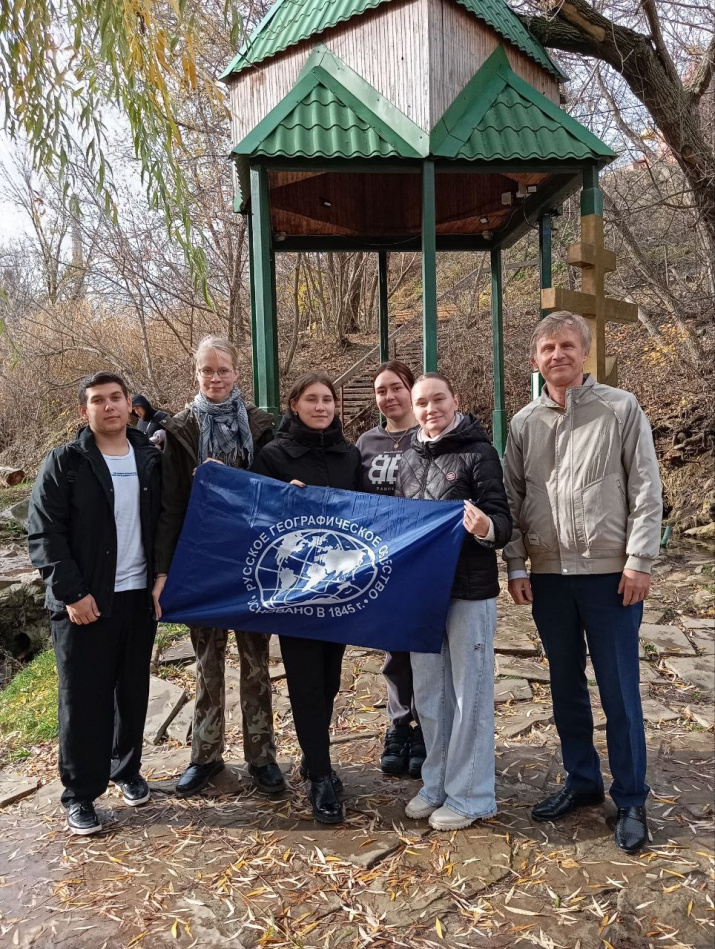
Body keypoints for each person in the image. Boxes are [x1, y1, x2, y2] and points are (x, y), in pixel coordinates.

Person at [502, 311, 663, 854]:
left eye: (568, 345)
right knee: (566, 684)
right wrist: (517, 564)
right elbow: (512, 500)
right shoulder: (524, 423)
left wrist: (640, 559)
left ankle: (633, 797)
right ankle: (582, 780)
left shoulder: (620, 408)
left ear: (585, 352)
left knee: (619, 689)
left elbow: (645, 488)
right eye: (548, 348)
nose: (558, 355)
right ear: (535, 359)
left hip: (610, 576)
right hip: (549, 578)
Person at [28, 371, 162, 835]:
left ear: (130, 406)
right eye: (98, 401)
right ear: (84, 412)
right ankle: (81, 793)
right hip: (84, 604)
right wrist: (73, 593)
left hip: (137, 599)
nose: (109, 407)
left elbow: (165, 523)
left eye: (116, 398)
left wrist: (161, 579)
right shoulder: (65, 463)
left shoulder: (149, 457)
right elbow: (44, 534)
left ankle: (126, 770)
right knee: (83, 699)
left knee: (132, 690)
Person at [152, 336, 285, 798]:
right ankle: (204, 756)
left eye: (222, 370)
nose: (214, 378)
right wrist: (164, 571)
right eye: (206, 371)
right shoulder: (180, 430)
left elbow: (274, 492)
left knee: (255, 663)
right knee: (207, 664)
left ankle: (262, 757)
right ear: (196, 374)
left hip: (251, 561)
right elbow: (169, 508)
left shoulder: (261, 426)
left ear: (236, 373)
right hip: (201, 561)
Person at [395, 372, 512, 830]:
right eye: (421, 402)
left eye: (438, 399)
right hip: (423, 595)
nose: (430, 409)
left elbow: (503, 520)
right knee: (430, 694)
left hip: (468, 590)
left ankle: (472, 794)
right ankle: (437, 782)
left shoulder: (479, 452)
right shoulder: (407, 458)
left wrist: (485, 527)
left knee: (470, 694)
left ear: (455, 400)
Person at [251, 372, 362, 824]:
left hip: (337, 588)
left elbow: (366, 514)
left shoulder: (349, 454)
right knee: (304, 682)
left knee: (330, 680)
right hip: (294, 591)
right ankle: (320, 775)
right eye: (312, 399)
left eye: (328, 400)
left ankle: (315, 758)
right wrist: (282, 500)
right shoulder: (274, 456)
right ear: (294, 404)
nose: (321, 407)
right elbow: (255, 513)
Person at [356, 360, 425, 778]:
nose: (389, 397)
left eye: (397, 388)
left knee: (427, 646)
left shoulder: (430, 434)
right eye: (381, 391)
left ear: (411, 389)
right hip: (383, 561)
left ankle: (425, 729)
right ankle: (399, 726)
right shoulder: (366, 442)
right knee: (394, 651)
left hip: (426, 558)